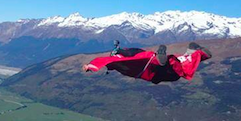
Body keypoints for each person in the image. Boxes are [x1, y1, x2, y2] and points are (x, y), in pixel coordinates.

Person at [82, 42, 212, 84]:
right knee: (181, 63)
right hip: (152, 64)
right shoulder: (126, 56)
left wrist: (90, 67)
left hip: (149, 72)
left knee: (169, 69)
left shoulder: (117, 61)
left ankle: (194, 53)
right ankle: (198, 54)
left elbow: (103, 60)